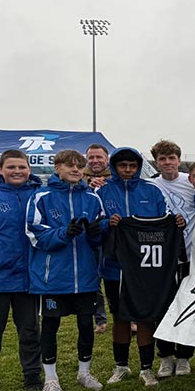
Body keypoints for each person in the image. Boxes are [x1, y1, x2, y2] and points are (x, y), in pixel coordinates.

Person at [26, 150, 106, 391]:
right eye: (69, 165)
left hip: (85, 277)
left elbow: (101, 236)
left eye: (79, 166)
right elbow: (33, 234)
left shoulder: (93, 198)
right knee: (50, 325)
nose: (75, 169)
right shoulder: (41, 196)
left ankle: (84, 372)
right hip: (53, 278)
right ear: (57, 168)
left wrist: (95, 232)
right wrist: (64, 233)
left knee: (85, 324)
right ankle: (51, 378)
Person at [97, 147, 172, 387]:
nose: (128, 170)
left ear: (139, 167)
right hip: (115, 267)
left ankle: (146, 368)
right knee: (120, 317)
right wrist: (107, 224)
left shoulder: (152, 191)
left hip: (146, 266)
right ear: (114, 167)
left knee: (145, 317)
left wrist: (176, 222)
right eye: (123, 166)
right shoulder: (103, 192)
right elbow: (95, 224)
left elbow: (166, 218)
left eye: (132, 166)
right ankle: (121, 366)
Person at [0, 150, 43, 391]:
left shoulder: (38, 195)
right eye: (11, 167)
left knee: (30, 329)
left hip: (28, 277)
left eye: (22, 167)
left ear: (29, 169)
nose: (17, 171)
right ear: (1, 170)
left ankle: (32, 376)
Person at [148, 139, 195, 377]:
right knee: (163, 308)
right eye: (162, 159)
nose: (167, 163)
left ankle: (185, 356)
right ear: (156, 162)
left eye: (171, 158)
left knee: (187, 305)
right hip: (162, 257)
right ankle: (165, 357)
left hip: (191, 254)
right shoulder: (151, 186)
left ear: (179, 159)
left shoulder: (191, 182)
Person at [84, 143, 111, 333]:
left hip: (111, 235)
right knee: (93, 278)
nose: (95, 161)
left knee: (116, 278)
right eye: (91, 157)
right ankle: (100, 319)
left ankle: (129, 318)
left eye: (98, 157)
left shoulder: (116, 176)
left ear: (106, 159)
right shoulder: (79, 177)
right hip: (89, 236)